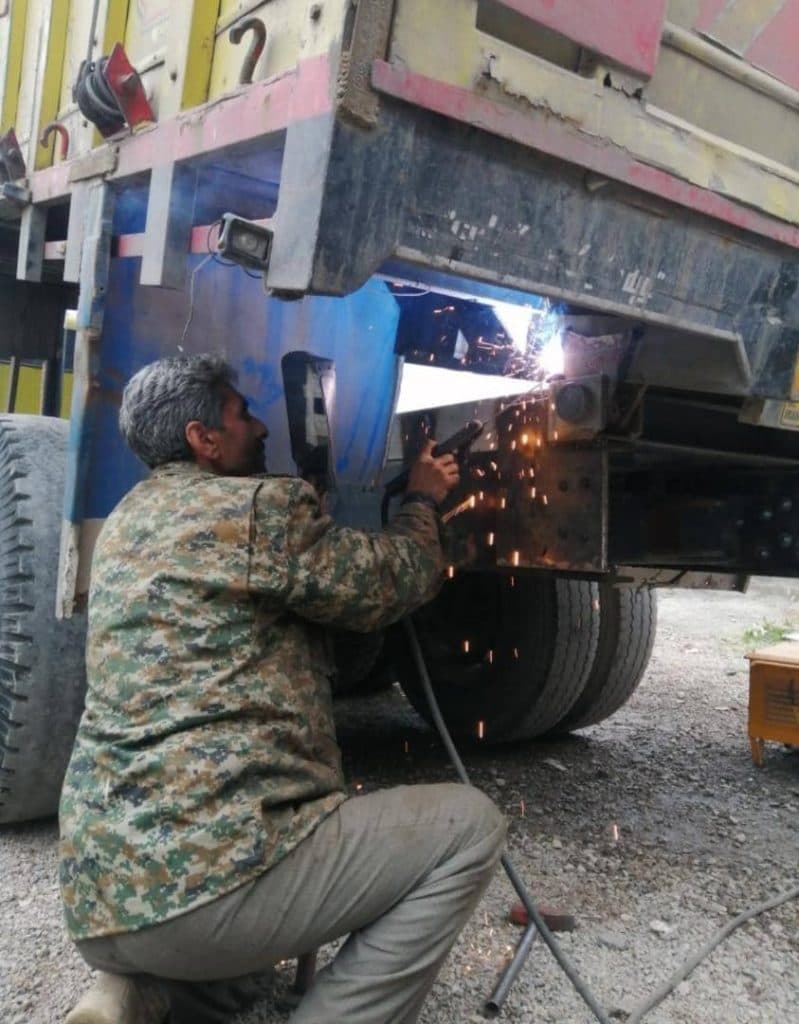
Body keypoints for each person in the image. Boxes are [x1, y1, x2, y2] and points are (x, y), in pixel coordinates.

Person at [60, 354, 506, 1024]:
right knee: (469, 827)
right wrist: (421, 498)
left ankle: (135, 990)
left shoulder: (125, 522)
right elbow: (396, 579)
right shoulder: (263, 509)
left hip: (99, 897)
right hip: (196, 897)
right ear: (202, 439)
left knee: (230, 944)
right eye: (241, 414)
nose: (260, 425)